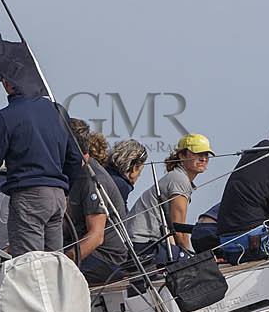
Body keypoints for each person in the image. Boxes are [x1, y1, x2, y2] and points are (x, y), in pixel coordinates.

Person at [0, 76, 84, 256]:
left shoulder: (5, 116)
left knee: (30, 263)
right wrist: (63, 188)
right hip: (57, 196)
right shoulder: (58, 110)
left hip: (29, 196)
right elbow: (75, 158)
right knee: (54, 261)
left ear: (6, 83)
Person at [65, 119, 133, 285]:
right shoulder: (74, 175)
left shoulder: (92, 180)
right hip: (87, 250)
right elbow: (67, 224)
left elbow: (96, 237)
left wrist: (61, 264)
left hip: (106, 259)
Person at [127, 134, 214, 263]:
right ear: (182, 155)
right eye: (197, 154)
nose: (203, 158)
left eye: (206, 154)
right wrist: (190, 260)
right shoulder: (179, 180)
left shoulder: (176, 177)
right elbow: (178, 229)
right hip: (144, 247)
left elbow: (170, 228)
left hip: (139, 245)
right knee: (199, 263)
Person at [107, 139, 149, 206]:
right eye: (140, 171)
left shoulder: (104, 172)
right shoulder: (121, 186)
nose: (139, 175)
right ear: (134, 168)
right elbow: (121, 214)